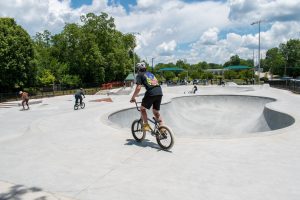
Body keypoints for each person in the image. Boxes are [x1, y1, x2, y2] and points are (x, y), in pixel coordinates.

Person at [130, 62, 163, 131]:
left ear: (138, 69)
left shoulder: (139, 75)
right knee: (156, 112)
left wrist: (133, 98)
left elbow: (138, 88)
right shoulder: (150, 74)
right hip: (159, 92)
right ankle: (163, 129)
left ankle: (146, 126)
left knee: (142, 109)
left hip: (151, 93)